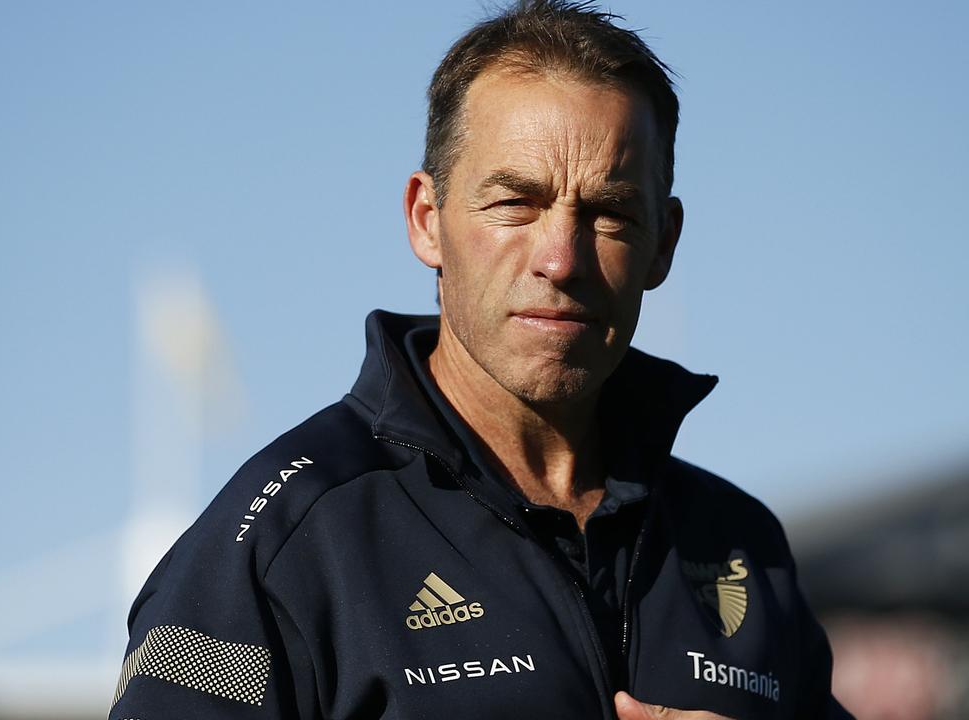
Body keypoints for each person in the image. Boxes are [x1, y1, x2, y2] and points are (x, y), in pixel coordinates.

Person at [109, 2, 853, 718]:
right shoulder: (283, 545)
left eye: (611, 214)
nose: (561, 259)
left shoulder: (739, 543)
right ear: (427, 221)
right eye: (514, 205)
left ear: (664, 242)